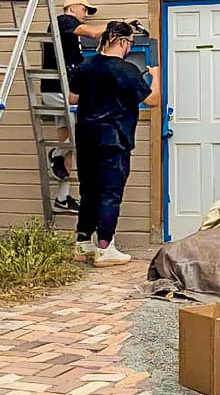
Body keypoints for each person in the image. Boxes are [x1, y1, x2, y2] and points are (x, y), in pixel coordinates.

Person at [69, 21, 161, 265]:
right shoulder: (126, 69)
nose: (129, 47)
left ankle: (82, 243)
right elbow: (152, 100)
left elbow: (73, 97)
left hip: (86, 136)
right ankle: (105, 247)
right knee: (111, 192)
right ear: (122, 42)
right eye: (129, 43)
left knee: (89, 190)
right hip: (113, 138)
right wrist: (156, 77)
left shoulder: (86, 66)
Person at [41, 0, 104, 214]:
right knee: (80, 134)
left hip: (60, 90)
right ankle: (56, 154)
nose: (86, 16)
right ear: (74, 7)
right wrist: (118, 26)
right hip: (60, 91)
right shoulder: (63, 21)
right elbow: (93, 32)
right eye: (85, 10)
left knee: (68, 146)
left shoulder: (68, 27)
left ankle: (62, 197)